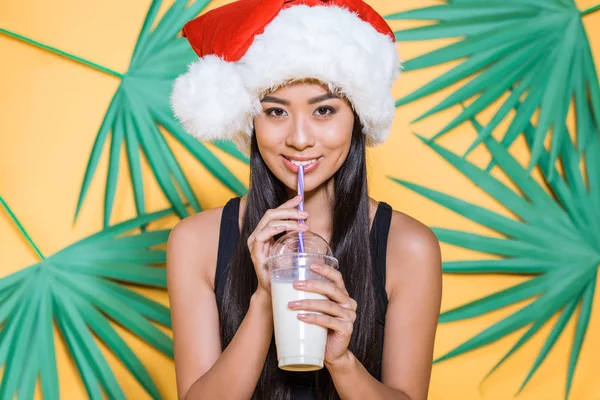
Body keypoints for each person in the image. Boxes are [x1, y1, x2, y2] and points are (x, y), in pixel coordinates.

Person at [166, 0, 442, 399]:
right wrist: (263, 300)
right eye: (275, 112)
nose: (298, 138)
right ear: (250, 119)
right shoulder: (196, 241)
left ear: (358, 116)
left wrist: (342, 360)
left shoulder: (409, 248)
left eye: (324, 110)